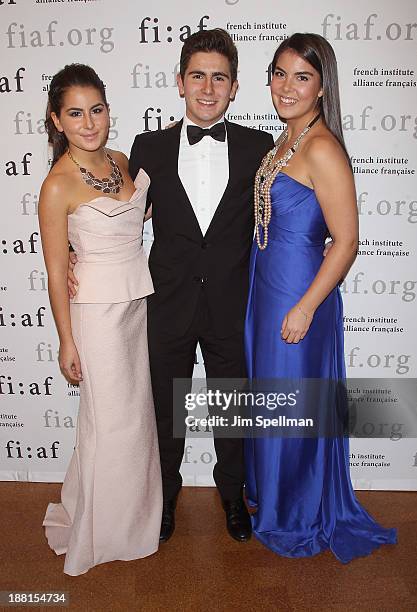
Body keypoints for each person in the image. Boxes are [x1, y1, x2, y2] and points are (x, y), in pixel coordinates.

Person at [244, 33, 397, 562]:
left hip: (299, 291)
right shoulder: (283, 140)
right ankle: (274, 500)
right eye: (279, 74)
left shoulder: (323, 147)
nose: (286, 87)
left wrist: (306, 306)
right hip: (266, 288)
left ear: (322, 85)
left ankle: (297, 512)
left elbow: (347, 240)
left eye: (301, 77)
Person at [128, 29, 274, 542]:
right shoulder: (146, 147)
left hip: (232, 303)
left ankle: (233, 497)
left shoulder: (261, 146)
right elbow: (123, 218)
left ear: (234, 87)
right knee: (166, 409)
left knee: (232, 407)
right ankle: (164, 497)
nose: (208, 88)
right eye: (198, 76)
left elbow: (281, 213)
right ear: (179, 82)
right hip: (167, 302)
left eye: (219, 77)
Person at [38, 64, 162, 576]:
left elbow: (135, 214)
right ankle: (103, 532)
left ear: (108, 111)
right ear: (57, 120)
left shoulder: (122, 161)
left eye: (97, 110)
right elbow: (53, 270)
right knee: (110, 426)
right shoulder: (56, 186)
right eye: (75, 113)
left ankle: (134, 521)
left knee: (135, 423)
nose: (89, 122)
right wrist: (67, 342)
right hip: (95, 318)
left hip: (136, 305)